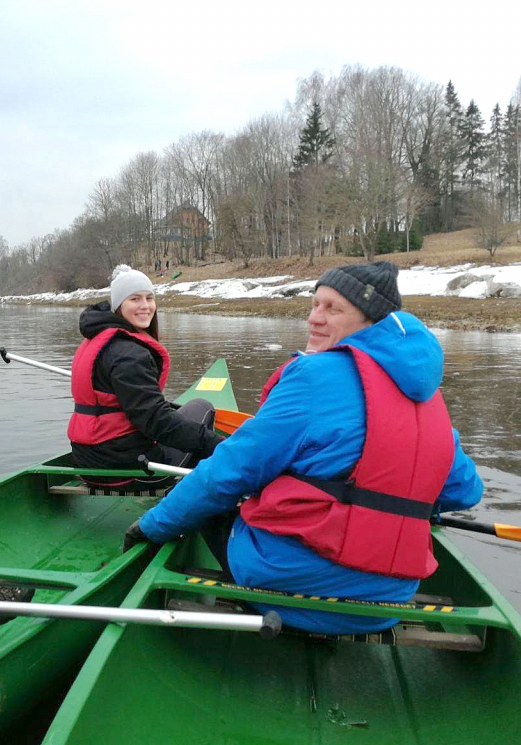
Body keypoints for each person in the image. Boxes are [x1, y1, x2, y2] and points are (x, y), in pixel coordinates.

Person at [124, 261, 484, 634]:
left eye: (333, 309)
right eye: (315, 304)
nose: (314, 318)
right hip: (390, 599)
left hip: (291, 584)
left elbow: (226, 474)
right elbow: (464, 490)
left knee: (213, 501)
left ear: (370, 320)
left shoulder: (313, 376)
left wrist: (151, 527)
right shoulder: (426, 393)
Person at [68, 264, 222, 490]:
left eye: (149, 298)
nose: (145, 306)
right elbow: (157, 422)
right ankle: (200, 493)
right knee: (202, 408)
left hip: (87, 463)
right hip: (128, 471)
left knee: (185, 414)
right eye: (134, 299)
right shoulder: (128, 355)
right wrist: (221, 445)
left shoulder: (97, 339)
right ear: (119, 305)